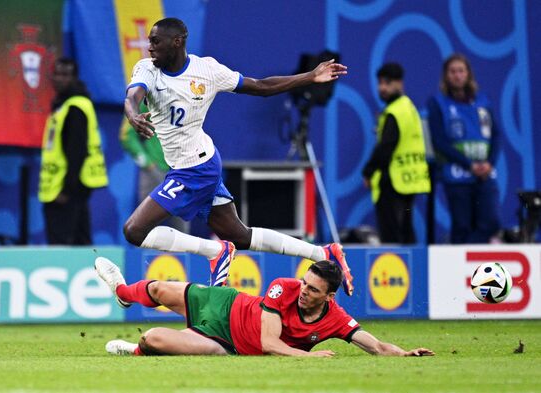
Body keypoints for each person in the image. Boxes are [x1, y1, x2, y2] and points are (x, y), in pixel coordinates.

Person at [123, 18, 353, 295]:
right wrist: (133, 114)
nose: (150, 47)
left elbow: (260, 86)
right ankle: (323, 252)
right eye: (149, 41)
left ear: (177, 42)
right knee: (240, 236)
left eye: (155, 41)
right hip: (198, 163)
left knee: (134, 231)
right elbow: (133, 96)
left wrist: (309, 76)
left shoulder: (206, 70)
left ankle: (214, 251)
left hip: (195, 169)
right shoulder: (147, 68)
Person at [95, 257, 435, 357]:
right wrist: (309, 357)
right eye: (304, 283)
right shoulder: (283, 287)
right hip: (224, 304)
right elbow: (271, 344)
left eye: (313, 290)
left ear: (329, 296)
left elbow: (373, 345)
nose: (303, 291)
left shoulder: (335, 319)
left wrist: (403, 354)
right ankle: (124, 292)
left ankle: (134, 354)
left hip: (224, 344)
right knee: (157, 287)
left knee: (151, 338)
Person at [427, 54, 501, 244]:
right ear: (446, 76)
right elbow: (439, 141)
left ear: (468, 74)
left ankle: (473, 262)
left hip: (484, 176)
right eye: (452, 71)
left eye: (461, 71)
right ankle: (461, 266)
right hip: (457, 176)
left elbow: (496, 135)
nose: (457, 75)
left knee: (490, 223)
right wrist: (469, 165)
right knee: (462, 227)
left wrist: (489, 163)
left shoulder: (483, 101)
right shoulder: (438, 103)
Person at [38, 57, 108, 244]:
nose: (60, 79)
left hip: (67, 190)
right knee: (80, 243)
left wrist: (67, 190)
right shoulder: (63, 104)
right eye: (57, 74)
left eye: (66, 75)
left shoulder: (75, 108)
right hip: (65, 188)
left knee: (64, 247)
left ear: (75, 78)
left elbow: (76, 152)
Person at [362, 63, 430, 244]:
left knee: (392, 236)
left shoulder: (394, 111)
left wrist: (368, 171)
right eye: (380, 83)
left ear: (400, 83)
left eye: (387, 83)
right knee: (406, 231)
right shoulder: (408, 107)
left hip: (393, 180)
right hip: (410, 179)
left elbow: (386, 147)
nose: (382, 88)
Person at [119, 102, 188, 232]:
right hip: (156, 169)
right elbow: (127, 136)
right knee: (143, 225)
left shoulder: (188, 95)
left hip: (181, 170)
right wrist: (147, 163)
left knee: (181, 223)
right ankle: (143, 253)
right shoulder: (148, 97)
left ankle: (182, 253)